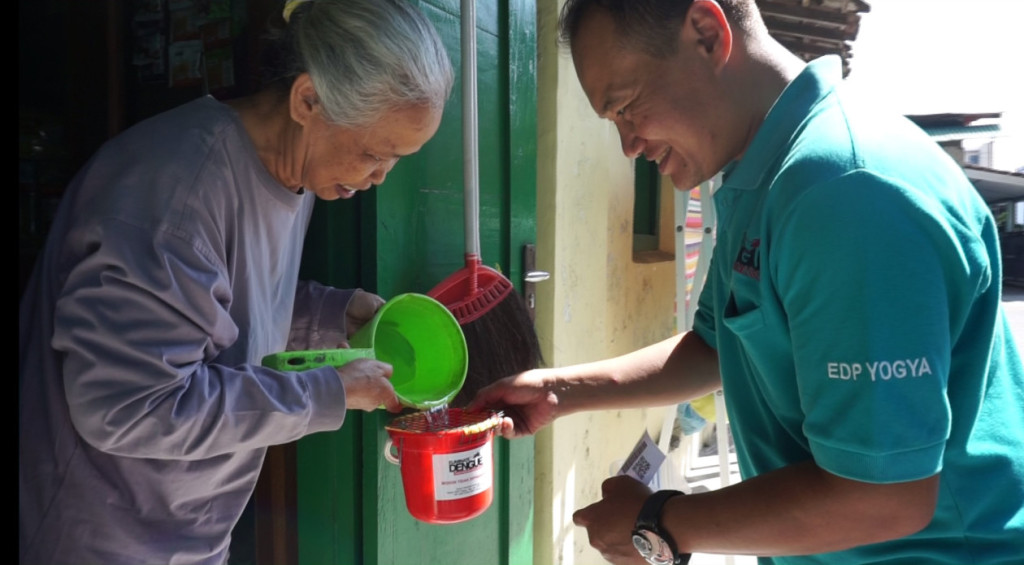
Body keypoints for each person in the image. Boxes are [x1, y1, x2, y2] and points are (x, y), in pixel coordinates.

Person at [469, 1, 1024, 564]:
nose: (629, 146)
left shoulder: (842, 191)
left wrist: (658, 525)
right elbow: (718, 345)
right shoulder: (765, 177)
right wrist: (559, 392)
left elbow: (884, 497)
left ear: (708, 33)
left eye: (628, 107)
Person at [18, 0, 453, 563]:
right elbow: (131, 405)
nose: (378, 177)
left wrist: (330, 316)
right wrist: (332, 392)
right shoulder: (177, 192)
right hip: (99, 536)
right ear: (308, 100)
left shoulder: (295, 173)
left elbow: (217, 309)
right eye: (374, 154)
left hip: (190, 531)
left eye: (396, 160)